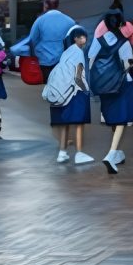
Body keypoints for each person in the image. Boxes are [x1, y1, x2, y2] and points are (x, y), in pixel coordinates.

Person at [88, 8, 133, 174]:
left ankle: (117, 153)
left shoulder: (98, 40)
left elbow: (91, 58)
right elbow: (128, 64)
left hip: (103, 85)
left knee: (113, 117)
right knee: (121, 120)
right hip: (121, 84)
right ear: (121, 24)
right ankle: (111, 153)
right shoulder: (124, 42)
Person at [45, 25, 93, 164]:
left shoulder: (66, 52)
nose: (85, 39)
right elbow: (78, 76)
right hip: (75, 93)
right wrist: (86, 90)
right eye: (82, 36)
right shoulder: (78, 52)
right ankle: (79, 153)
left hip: (62, 93)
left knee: (65, 123)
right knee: (79, 123)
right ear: (76, 39)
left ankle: (62, 152)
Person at [29, 0, 76, 82]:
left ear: (46, 5)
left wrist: (33, 56)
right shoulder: (70, 21)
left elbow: (32, 40)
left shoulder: (40, 21)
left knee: (49, 85)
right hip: (64, 61)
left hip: (45, 61)